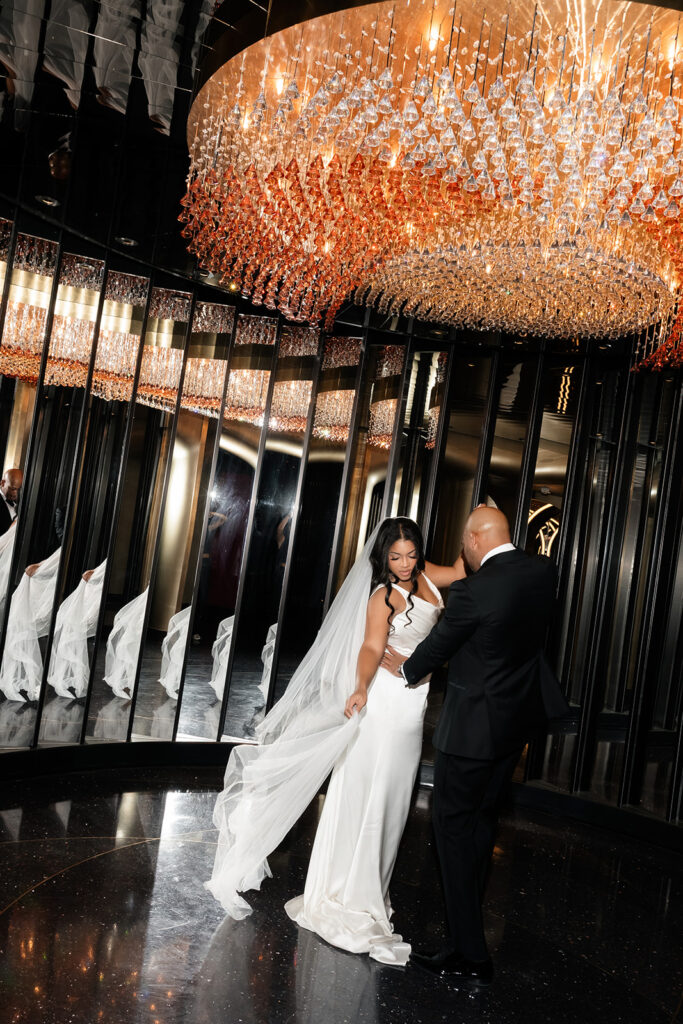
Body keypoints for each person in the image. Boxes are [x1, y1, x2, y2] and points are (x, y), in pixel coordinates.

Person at [206, 517, 466, 965]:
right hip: (384, 701)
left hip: (413, 705)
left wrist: (478, 522)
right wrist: (362, 686)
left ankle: (371, 888)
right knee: (370, 794)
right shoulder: (382, 597)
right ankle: (349, 897)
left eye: (410, 553)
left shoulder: (428, 575)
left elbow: (464, 570)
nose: (404, 563)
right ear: (383, 558)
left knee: (395, 799)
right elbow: (370, 648)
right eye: (395, 556)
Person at [382, 506, 568, 988]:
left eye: (465, 541)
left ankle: (469, 951)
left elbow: (436, 648)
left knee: (451, 829)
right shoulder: (541, 573)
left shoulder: (471, 591)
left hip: (471, 733)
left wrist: (399, 668)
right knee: (483, 822)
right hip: (512, 728)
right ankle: (468, 928)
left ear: (475, 538)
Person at [0, 467, 22, 536]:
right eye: (13, 489)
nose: (16, 494)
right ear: (3, 483)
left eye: (19, 490)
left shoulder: (18, 502)